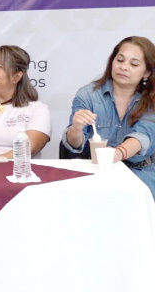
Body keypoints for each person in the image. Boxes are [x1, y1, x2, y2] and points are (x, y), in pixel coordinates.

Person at [63, 36, 155, 196]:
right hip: (94, 171)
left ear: (147, 72)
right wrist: (76, 128)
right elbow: (74, 144)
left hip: (139, 172)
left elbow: (143, 136)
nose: (124, 67)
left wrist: (117, 153)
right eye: (120, 60)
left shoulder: (152, 100)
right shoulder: (88, 94)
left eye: (133, 64)